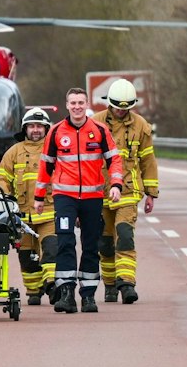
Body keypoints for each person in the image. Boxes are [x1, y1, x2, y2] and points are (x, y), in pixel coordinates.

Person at [35, 87, 125, 314]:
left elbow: (115, 159)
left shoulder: (100, 130)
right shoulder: (55, 132)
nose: (77, 106)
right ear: (67, 105)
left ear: (86, 104)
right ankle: (66, 294)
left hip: (93, 197)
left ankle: (88, 296)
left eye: (80, 102)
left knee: (91, 245)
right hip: (64, 197)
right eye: (73, 103)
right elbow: (45, 165)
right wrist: (38, 197)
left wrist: (115, 184)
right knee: (65, 243)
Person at [93, 79, 159, 304]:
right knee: (105, 242)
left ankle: (127, 283)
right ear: (109, 104)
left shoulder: (141, 126)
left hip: (128, 191)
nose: (122, 111)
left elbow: (147, 160)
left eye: (126, 107)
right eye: (118, 107)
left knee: (125, 237)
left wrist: (151, 192)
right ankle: (110, 285)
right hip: (100, 192)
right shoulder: (95, 124)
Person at [0, 108, 55, 305]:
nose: (35, 130)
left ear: (46, 128)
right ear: (25, 128)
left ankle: (53, 284)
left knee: (51, 249)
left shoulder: (55, 150)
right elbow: (2, 179)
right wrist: (4, 203)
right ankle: (34, 290)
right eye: (32, 126)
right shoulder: (14, 152)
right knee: (26, 256)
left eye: (39, 126)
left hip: (50, 212)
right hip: (22, 217)